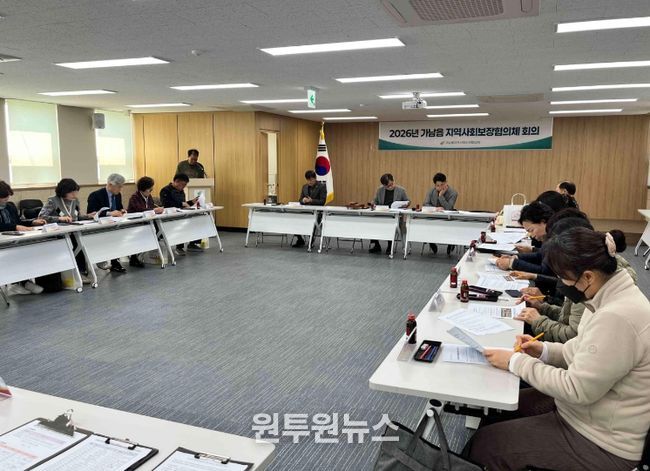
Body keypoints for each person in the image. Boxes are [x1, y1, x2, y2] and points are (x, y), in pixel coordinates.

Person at [466, 227, 650, 470]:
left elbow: (576, 389)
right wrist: (542, 350)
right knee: (499, 408)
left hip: (601, 441)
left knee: (487, 445)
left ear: (587, 277)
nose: (562, 284)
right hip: (584, 414)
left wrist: (515, 362)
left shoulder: (617, 317)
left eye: (564, 278)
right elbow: (579, 351)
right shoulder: (605, 298)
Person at [0, 181, 46, 294]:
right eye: (4, 197)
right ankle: (17, 282)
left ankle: (24, 281)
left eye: (8, 196)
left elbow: (19, 222)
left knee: (30, 249)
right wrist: (15, 227)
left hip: (13, 240)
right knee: (17, 253)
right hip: (3, 243)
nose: (7, 199)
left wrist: (32, 222)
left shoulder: (9, 207)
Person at [38, 178, 90, 277]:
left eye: (76, 192)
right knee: (75, 243)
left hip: (73, 231)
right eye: (72, 192)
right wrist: (59, 218)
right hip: (58, 233)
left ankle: (81, 271)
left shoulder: (75, 201)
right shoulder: (53, 201)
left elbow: (76, 217)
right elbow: (41, 217)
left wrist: (89, 216)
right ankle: (73, 273)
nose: (74, 195)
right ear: (64, 191)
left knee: (81, 242)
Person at [495, 201, 554, 272]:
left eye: (531, 230)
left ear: (543, 221)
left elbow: (545, 271)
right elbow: (541, 255)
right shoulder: (549, 235)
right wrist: (516, 257)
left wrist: (512, 264)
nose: (531, 235)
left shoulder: (557, 238)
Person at [87, 173, 128, 273]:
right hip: (100, 226)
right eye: (119, 187)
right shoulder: (95, 195)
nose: (120, 189)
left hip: (114, 224)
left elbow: (119, 207)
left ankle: (115, 262)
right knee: (111, 237)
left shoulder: (118, 195)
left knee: (119, 236)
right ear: (110, 185)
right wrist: (109, 213)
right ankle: (103, 259)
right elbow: (91, 213)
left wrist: (122, 210)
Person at [127, 176, 164, 267]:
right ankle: (134, 257)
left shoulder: (148, 196)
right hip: (135, 223)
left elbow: (150, 207)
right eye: (150, 189)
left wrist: (156, 209)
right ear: (143, 189)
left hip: (146, 222)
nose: (151, 191)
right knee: (143, 234)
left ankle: (140, 255)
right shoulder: (134, 197)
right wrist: (154, 210)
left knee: (156, 229)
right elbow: (140, 209)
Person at [160, 173, 200, 254]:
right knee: (181, 223)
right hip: (169, 216)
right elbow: (167, 204)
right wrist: (182, 204)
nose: (184, 187)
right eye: (183, 184)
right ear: (176, 182)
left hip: (181, 214)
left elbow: (183, 204)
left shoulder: (181, 191)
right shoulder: (165, 190)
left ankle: (192, 244)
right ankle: (179, 247)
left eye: (185, 185)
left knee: (197, 220)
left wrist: (192, 202)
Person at [369, 173, 409, 254]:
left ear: (393, 180)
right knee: (372, 223)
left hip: (395, 216)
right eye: (387, 186)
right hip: (382, 214)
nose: (390, 187)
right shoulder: (380, 190)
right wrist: (373, 204)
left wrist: (404, 205)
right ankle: (376, 245)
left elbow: (408, 201)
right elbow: (375, 201)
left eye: (391, 184)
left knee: (390, 224)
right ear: (383, 185)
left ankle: (390, 245)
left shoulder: (401, 190)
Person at [423, 172, 458, 255]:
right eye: (437, 185)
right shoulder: (431, 191)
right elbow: (425, 204)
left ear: (446, 183)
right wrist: (435, 209)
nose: (440, 187)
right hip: (433, 217)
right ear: (435, 185)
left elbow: (449, 207)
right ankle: (431, 241)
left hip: (447, 219)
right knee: (426, 224)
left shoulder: (453, 193)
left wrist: (441, 196)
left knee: (452, 226)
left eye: (442, 185)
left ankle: (451, 243)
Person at [292, 170, 326, 248]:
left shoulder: (321, 186)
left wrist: (312, 200)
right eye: (307, 180)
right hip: (305, 211)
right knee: (294, 221)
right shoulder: (304, 187)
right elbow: (300, 200)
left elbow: (322, 201)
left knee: (312, 222)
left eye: (311, 180)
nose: (309, 182)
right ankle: (300, 240)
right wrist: (303, 200)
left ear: (315, 178)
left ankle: (311, 241)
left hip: (317, 213)